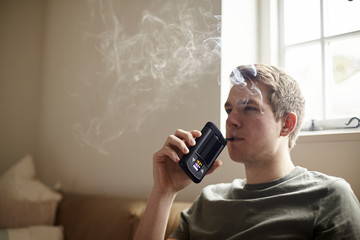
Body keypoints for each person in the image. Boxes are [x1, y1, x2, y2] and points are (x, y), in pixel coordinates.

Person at [133, 64, 360, 240]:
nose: (231, 120)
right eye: (229, 109)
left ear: (286, 124)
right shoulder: (209, 200)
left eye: (249, 108)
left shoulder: (329, 196)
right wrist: (164, 191)